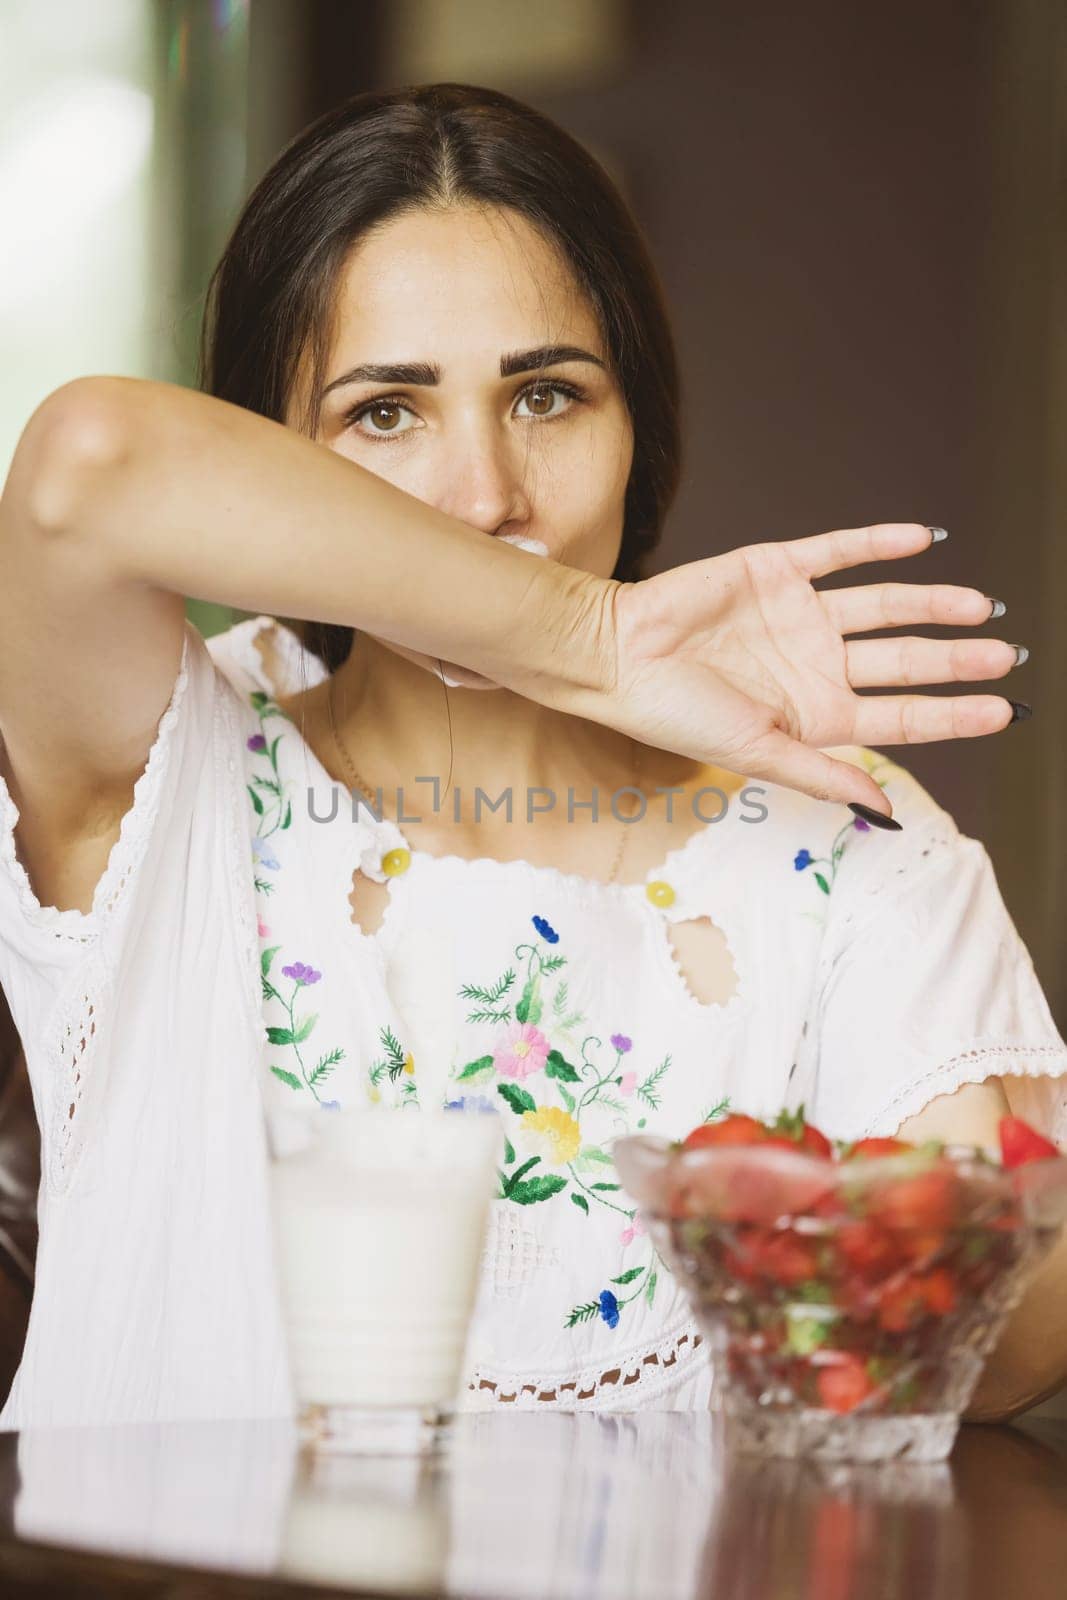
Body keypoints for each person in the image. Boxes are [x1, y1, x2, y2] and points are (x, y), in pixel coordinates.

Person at [0, 83, 1062, 1430]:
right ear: (274, 459)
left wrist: (952, 1258)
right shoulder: (164, 778)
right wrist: (590, 637)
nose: (487, 497)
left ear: (641, 426)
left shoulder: (842, 836)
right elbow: (84, 469)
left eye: (549, 395)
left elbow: (992, 1363)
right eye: (384, 413)